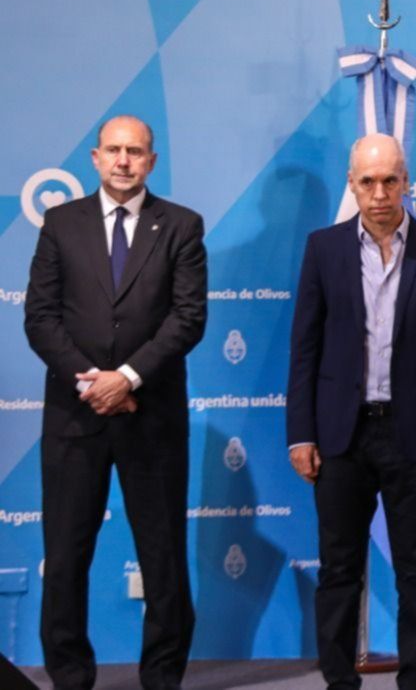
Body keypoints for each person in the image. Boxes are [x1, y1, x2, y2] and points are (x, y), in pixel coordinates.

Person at [286, 134, 416, 690]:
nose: (379, 193)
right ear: (351, 183)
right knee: (338, 569)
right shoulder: (323, 249)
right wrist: (301, 433)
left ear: (406, 183)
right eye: (367, 182)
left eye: (390, 180)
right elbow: (305, 348)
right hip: (340, 436)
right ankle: (339, 683)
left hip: (415, 438)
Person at [24, 115, 207, 690]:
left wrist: (126, 379)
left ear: (152, 161)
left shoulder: (181, 225)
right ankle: (70, 676)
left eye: (135, 151)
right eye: (114, 150)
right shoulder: (61, 224)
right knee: (65, 555)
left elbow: (188, 318)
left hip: (152, 416)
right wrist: (93, 383)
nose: (124, 160)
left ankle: (162, 677)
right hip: (75, 416)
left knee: (163, 555)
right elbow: (40, 318)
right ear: (96, 158)